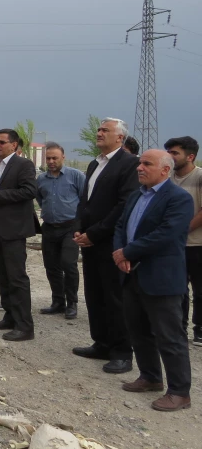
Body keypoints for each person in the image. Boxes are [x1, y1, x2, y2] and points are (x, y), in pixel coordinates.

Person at [113, 149, 194, 412]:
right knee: (138, 330)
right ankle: (150, 377)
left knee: (170, 337)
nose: (139, 168)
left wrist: (128, 252)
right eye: (140, 163)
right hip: (132, 274)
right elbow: (121, 226)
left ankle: (180, 392)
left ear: (165, 170)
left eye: (147, 164)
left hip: (162, 277)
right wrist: (120, 252)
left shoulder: (179, 198)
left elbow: (166, 234)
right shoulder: (136, 195)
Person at [73, 117, 140, 374]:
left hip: (111, 241)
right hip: (90, 240)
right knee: (94, 294)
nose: (99, 133)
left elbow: (124, 205)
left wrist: (95, 233)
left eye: (105, 130)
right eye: (99, 129)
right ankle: (101, 343)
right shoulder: (94, 164)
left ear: (120, 137)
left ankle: (122, 352)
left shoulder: (129, 164)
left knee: (115, 297)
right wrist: (80, 227)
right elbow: (85, 201)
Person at [0, 129, 40, 341]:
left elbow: (29, 191)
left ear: (14, 145)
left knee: (16, 278)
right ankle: (10, 316)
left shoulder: (23, 165)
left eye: (1, 142)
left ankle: (24, 326)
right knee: (3, 276)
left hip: (13, 230)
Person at [36, 142, 85, 319]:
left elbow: (84, 200)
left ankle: (72, 303)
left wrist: (80, 226)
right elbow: (40, 199)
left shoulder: (76, 176)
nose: (51, 161)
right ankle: (58, 302)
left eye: (54, 158)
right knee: (51, 266)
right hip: (49, 227)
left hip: (70, 228)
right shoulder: (41, 179)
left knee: (68, 264)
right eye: (48, 158)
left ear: (63, 157)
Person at [164, 136, 202, 345]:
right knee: (178, 289)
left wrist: (181, 230)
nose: (170, 156)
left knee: (199, 289)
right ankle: (179, 327)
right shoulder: (167, 177)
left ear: (190, 156)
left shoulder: (199, 177)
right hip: (173, 244)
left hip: (197, 244)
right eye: (168, 152)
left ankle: (200, 329)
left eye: (175, 153)